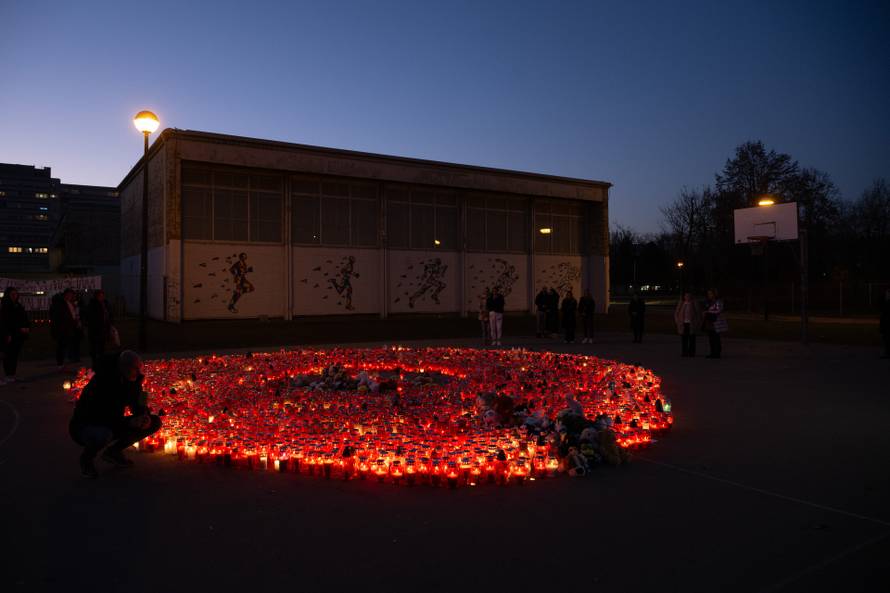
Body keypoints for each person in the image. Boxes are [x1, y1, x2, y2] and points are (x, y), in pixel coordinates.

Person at [69, 350, 162, 478]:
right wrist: (129, 422)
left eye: (139, 368)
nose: (139, 372)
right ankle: (86, 460)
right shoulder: (103, 383)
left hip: (111, 421)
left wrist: (143, 415)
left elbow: (137, 404)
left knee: (154, 422)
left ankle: (113, 452)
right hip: (86, 425)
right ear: (123, 367)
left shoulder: (131, 380)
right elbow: (105, 417)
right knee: (105, 434)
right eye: (135, 369)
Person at [1, 287, 30, 384]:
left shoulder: (18, 305)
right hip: (10, 334)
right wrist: (7, 334)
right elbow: (6, 322)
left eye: (16, 294)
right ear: (8, 295)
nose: (14, 296)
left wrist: (26, 327)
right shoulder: (5, 306)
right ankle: (8, 375)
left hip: (19, 335)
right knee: (8, 355)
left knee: (15, 355)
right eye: (12, 294)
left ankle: (12, 374)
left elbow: (24, 318)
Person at [51, 288, 83, 371]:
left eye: (71, 295)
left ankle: (63, 362)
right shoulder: (60, 304)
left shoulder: (70, 303)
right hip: (63, 329)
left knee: (65, 345)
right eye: (69, 294)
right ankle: (60, 364)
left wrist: (76, 321)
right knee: (61, 346)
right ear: (65, 295)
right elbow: (59, 317)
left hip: (70, 328)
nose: (70, 296)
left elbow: (73, 314)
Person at [87, 289, 115, 368]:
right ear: (96, 296)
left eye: (103, 296)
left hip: (104, 329)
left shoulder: (105, 303)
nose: (102, 297)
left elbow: (109, 314)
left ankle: (101, 361)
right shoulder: (93, 304)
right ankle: (95, 363)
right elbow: (91, 317)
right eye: (100, 296)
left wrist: (110, 323)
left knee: (101, 347)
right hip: (95, 329)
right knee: (94, 347)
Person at [674, 292, 702, 357]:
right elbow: (676, 313)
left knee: (692, 338)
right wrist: (677, 321)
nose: (687, 297)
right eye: (686, 296)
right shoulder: (681, 303)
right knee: (684, 339)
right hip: (683, 324)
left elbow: (698, 313)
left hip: (692, 324)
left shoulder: (694, 303)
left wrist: (697, 322)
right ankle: (684, 352)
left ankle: (692, 352)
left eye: (688, 295)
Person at [703, 289, 728, 358]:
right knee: (711, 338)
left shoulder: (718, 301)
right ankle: (712, 352)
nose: (709, 295)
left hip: (716, 322)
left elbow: (718, 310)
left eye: (711, 294)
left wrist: (708, 312)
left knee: (716, 338)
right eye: (708, 294)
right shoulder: (708, 302)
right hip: (709, 322)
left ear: (715, 294)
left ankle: (717, 353)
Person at [880, 288, 890, 359]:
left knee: (887, 338)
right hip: (885, 323)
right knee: (885, 338)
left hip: (887, 323)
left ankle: (887, 352)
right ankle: (886, 352)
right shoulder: (884, 302)